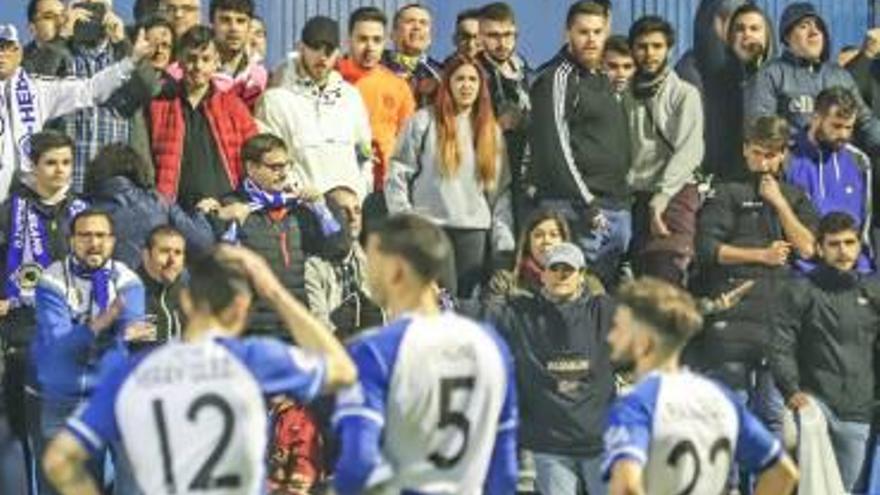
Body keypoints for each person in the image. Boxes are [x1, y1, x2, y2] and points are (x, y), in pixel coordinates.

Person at [41, 245, 358, 495]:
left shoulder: (133, 373)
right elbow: (343, 371)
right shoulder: (253, 360)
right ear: (241, 308)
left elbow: (59, 460)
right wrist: (273, 291)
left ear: (188, 302)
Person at [332, 213, 517, 494]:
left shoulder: (376, 350)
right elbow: (504, 466)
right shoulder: (491, 345)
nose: (367, 273)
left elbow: (358, 464)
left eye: (371, 261)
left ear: (396, 270)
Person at [603, 277, 800, 495]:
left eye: (619, 327)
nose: (611, 337)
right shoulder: (720, 397)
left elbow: (626, 486)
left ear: (644, 340)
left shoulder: (636, 404)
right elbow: (783, 472)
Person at [694, 115, 819, 436]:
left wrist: (779, 204)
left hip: (775, 325)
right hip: (731, 321)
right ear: (746, 149)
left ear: (782, 155)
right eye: (758, 153)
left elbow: (808, 249)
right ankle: (729, 486)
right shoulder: (725, 192)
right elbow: (708, 250)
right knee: (727, 418)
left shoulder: (794, 197)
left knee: (774, 419)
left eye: (771, 154)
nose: (763, 162)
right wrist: (761, 256)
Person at [466, 242, 615, 495]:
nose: (561, 275)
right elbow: (478, 313)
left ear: (581, 276)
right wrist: (437, 301)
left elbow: (653, 316)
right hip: (550, 446)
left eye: (568, 270)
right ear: (543, 274)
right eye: (554, 268)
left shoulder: (602, 312)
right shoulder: (521, 314)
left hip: (599, 442)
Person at [27, 209, 145, 494]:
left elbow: (132, 329)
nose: (94, 243)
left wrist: (86, 329)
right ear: (72, 241)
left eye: (101, 235)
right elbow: (60, 347)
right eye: (85, 236)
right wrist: (104, 324)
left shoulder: (128, 280)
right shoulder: (51, 280)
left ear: (113, 241)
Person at [0, 131, 87, 491]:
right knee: (26, 432)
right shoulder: (10, 210)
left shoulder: (84, 211)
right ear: (32, 166)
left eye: (66, 162)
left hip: (72, 333)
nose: (59, 171)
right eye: (50, 163)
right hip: (23, 332)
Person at [385, 55, 514, 297]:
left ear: (481, 86)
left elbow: (501, 193)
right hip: (431, 229)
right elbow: (398, 174)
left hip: (474, 233)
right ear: (448, 83)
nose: (466, 86)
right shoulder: (423, 121)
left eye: (473, 80)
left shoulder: (490, 130)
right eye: (460, 79)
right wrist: (406, 222)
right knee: (436, 306)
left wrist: (503, 246)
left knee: (467, 307)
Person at [772, 212, 880, 491]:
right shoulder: (800, 291)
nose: (843, 251)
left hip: (859, 412)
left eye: (849, 243)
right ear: (819, 248)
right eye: (834, 244)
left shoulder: (873, 291)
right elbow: (781, 344)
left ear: (859, 246)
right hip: (813, 407)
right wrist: (791, 390)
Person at [529, 0, 632, 289]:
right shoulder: (558, 78)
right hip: (577, 209)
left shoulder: (603, 80)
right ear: (567, 34)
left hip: (616, 206)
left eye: (598, 32)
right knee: (571, 296)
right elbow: (555, 146)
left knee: (601, 303)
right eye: (583, 32)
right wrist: (587, 203)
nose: (591, 40)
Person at [0, 24, 154, 203]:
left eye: (5, 48)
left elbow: (89, 90)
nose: (1, 55)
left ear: (18, 53)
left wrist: (130, 61)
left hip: (27, 196)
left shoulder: (38, 90)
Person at [215, 133, 347, 338]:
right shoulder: (230, 206)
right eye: (275, 167)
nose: (284, 173)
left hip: (298, 324)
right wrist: (220, 220)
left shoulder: (301, 208)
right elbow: (218, 265)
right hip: (252, 330)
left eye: (287, 165)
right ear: (251, 168)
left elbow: (338, 249)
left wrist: (323, 210)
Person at [258, 16, 373, 200]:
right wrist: (300, 195)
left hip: (351, 212)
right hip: (303, 212)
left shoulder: (351, 97)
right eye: (315, 47)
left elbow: (365, 154)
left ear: (338, 51)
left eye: (329, 49)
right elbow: (271, 162)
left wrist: (361, 193)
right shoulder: (275, 101)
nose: (322, 55)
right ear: (300, 47)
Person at [627, 16, 704, 286]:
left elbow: (689, 151)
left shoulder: (685, 94)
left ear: (669, 49)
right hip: (635, 198)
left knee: (666, 280)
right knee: (638, 282)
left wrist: (661, 198)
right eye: (642, 46)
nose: (649, 54)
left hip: (675, 196)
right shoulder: (625, 93)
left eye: (657, 46)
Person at [744, 2, 880, 154]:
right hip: (792, 169)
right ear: (787, 36)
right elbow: (760, 127)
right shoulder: (770, 74)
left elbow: (866, 122)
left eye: (819, 27)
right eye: (804, 26)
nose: (814, 31)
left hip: (835, 167)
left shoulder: (839, 76)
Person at [148, 25, 257, 212]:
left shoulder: (234, 107)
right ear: (179, 62)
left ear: (217, 62)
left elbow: (255, 155)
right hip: (175, 210)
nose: (198, 66)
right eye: (191, 59)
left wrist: (242, 202)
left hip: (226, 208)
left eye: (205, 59)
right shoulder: (159, 106)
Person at [83, 143, 217, 270]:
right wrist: (199, 214)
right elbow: (202, 244)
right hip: (151, 290)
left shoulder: (81, 208)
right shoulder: (158, 203)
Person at [785, 87, 873, 272]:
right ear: (816, 118)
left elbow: (865, 226)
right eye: (836, 126)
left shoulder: (859, 161)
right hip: (803, 271)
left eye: (848, 127)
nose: (843, 135)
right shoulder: (787, 159)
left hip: (854, 269)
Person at [58, 0, 143, 193]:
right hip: (65, 190)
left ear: (110, 12)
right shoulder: (59, 55)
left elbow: (149, 88)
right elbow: (36, 78)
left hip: (115, 190)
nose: (89, 16)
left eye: (97, 8)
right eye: (82, 7)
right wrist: (62, 36)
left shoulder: (123, 55)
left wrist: (123, 43)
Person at [336, 7, 416, 193]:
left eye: (377, 40)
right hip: (340, 178)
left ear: (385, 42)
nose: (370, 47)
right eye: (363, 39)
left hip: (384, 183)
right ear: (348, 40)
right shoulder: (333, 77)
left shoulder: (398, 86)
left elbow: (410, 142)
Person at [477, 2, 531, 230]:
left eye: (508, 35)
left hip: (525, 171)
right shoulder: (473, 72)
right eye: (493, 36)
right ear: (480, 37)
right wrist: (494, 126)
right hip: (489, 173)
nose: (502, 43)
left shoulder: (523, 67)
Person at [305, 186, 383, 338]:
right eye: (343, 211)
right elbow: (318, 324)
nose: (353, 218)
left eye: (357, 211)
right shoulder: (313, 265)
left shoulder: (373, 260)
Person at [486, 208, 604, 298]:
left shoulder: (589, 285)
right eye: (538, 235)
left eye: (554, 235)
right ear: (528, 241)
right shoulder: (506, 281)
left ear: (564, 240)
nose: (546, 241)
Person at [381, 3, 442, 108]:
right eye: (410, 21)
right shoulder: (376, 64)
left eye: (423, 23)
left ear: (430, 37)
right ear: (393, 34)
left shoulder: (441, 73)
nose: (417, 27)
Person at [135, 225, 187, 347]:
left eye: (178, 253)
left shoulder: (186, 296)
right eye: (164, 251)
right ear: (146, 255)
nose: (172, 260)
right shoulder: (131, 295)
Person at [210, 0, 267, 108]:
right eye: (225, 20)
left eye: (240, 21)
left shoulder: (260, 76)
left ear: (249, 27)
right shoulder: (190, 70)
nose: (234, 28)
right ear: (212, 24)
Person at [23, 0, 70, 76]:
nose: (60, 22)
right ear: (32, 27)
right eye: (49, 17)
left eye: (63, 16)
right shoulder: (20, 62)